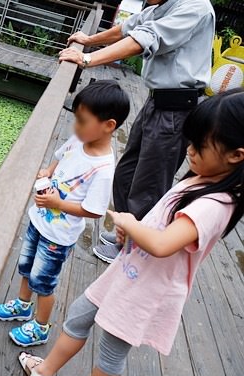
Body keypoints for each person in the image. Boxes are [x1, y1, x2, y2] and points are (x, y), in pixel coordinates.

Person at [17, 90, 244, 376]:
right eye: (190, 143)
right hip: (129, 269)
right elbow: (161, 225)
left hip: (147, 291)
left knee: (111, 350)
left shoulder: (216, 204)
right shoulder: (200, 178)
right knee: (79, 315)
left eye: (199, 147)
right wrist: (133, 235)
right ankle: (47, 370)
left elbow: (164, 244)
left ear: (236, 155)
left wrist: (128, 222)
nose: (189, 152)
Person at [59, 0, 215, 263]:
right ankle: (127, 233)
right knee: (126, 173)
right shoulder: (161, 6)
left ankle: (131, 248)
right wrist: (88, 39)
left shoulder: (195, 6)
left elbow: (145, 38)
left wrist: (87, 58)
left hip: (177, 108)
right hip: (156, 101)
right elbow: (127, 28)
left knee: (149, 184)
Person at [0, 80, 130, 347]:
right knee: (26, 268)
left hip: (58, 236)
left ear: (108, 125)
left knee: (43, 282)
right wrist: (49, 171)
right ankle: (22, 305)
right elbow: (59, 155)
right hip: (39, 221)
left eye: (82, 121)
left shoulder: (102, 168)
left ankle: (41, 327)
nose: (75, 127)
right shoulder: (79, 139)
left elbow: (93, 210)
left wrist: (57, 204)